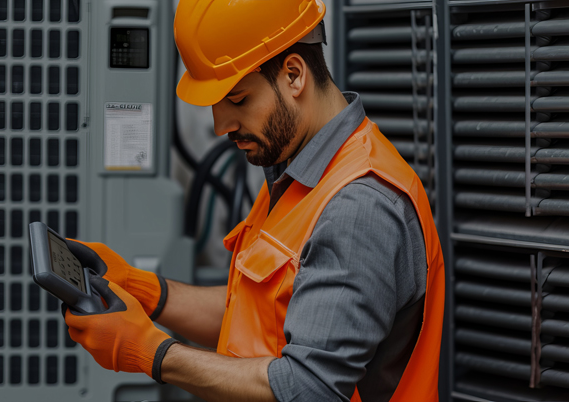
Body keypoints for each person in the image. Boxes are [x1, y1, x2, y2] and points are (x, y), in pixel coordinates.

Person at [62, 1, 445, 401]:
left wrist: (152, 353)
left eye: (238, 99)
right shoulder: (298, 168)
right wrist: (140, 289)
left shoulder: (359, 207)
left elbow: (309, 387)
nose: (220, 125)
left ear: (293, 75)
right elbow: (255, 313)